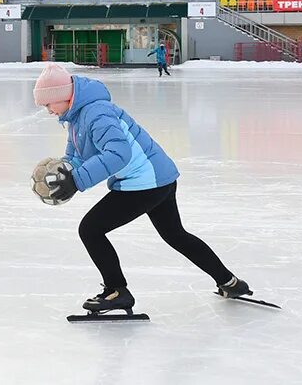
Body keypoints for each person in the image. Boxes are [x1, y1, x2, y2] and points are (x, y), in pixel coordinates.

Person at [33, 63, 250, 313]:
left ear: (63, 96)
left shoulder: (96, 112)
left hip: (144, 183)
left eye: (48, 104)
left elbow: (118, 154)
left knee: (91, 229)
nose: (47, 110)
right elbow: (78, 155)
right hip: (160, 178)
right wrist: (66, 171)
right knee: (175, 235)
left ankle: (117, 292)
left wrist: (78, 181)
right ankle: (229, 282)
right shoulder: (76, 117)